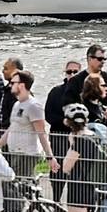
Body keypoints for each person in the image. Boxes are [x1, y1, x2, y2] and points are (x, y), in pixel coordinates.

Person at [57, 103, 107, 212]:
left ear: (68, 122)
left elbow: (66, 166)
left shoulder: (80, 141)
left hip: (77, 189)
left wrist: (71, 144)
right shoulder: (94, 137)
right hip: (91, 187)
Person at [44, 57, 86, 196]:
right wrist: (64, 121)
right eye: (69, 71)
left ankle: (75, 205)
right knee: (57, 174)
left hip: (79, 139)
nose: (72, 74)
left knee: (79, 174)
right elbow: (48, 115)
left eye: (76, 72)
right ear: (65, 73)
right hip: (59, 137)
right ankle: (56, 200)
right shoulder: (55, 91)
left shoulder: (85, 93)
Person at [5, 74, 46, 180]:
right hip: (15, 152)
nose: (10, 85)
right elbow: (11, 128)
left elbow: (41, 133)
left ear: (22, 85)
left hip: (27, 155)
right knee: (15, 186)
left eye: (13, 83)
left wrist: (50, 156)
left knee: (23, 187)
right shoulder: (17, 105)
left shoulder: (34, 106)